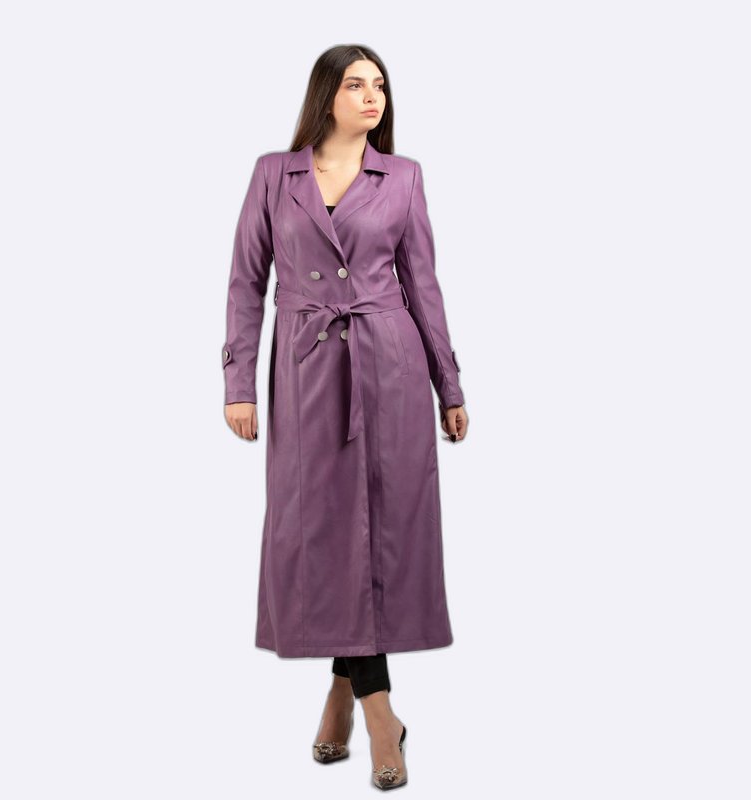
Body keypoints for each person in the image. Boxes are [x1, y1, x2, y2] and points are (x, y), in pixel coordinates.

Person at [221, 44, 469, 790]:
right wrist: (238, 383)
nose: (372, 96)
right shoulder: (276, 173)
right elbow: (245, 281)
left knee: (378, 537)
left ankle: (356, 704)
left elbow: (423, 286)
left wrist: (449, 385)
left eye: (380, 85)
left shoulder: (404, 177)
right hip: (305, 371)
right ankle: (378, 711)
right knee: (321, 535)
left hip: (388, 368)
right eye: (356, 84)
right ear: (325, 94)